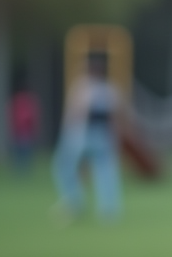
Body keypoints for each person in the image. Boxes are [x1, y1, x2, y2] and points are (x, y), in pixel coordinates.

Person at [52, 51, 125, 221]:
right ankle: (109, 211)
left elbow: (76, 113)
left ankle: (73, 203)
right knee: (105, 172)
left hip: (81, 133)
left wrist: (69, 134)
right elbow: (117, 117)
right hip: (104, 135)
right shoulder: (110, 89)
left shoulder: (82, 87)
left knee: (63, 167)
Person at [8, 76, 41, 173]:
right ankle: (23, 171)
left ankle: (21, 171)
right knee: (24, 152)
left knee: (21, 152)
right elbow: (33, 116)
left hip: (20, 130)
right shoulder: (28, 100)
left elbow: (12, 116)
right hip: (24, 130)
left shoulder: (17, 100)